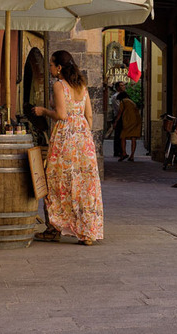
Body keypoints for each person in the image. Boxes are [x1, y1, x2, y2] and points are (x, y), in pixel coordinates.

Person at [31, 50, 103, 245]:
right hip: (84, 137)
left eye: (52, 66)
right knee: (85, 184)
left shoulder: (59, 85)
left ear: (59, 68)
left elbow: (62, 114)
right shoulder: (82, 85)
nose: (50, 69)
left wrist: (43, 111)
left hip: (65, 137)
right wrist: (85, 136)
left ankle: (54, 227)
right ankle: (87, 232)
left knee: (57, 181)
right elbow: (89, 116)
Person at [114, 90, 141, 161]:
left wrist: (116, 121)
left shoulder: (123, 101)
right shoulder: (131, 102)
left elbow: (120, 112)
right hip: (136, 121)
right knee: (133, 138)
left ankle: (124, 153)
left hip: (128, 122)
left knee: (123, 136)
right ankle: (132, 155)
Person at [108, 81, 126, 157]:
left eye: (123, 85)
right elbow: (120, 109)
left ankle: (121, 151)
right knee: (119, 135)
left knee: (120, 134)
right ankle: (118, 151)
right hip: (119, 117)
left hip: (121, 116)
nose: (123, 87)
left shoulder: (121, 96)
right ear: (118, 87)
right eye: (121, 85)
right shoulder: (116, 97)